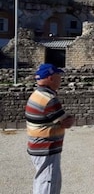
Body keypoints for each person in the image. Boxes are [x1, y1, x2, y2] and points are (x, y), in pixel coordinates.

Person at [25, 63, 75, 194]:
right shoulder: (49, 99)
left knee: (42, 180)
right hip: (46, 148)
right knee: (48, 183)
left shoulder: (37, 94)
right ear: (51, 78)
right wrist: (70, 119)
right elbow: (66, 122)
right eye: (58, 75)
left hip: (38, 145)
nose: (61, 79)